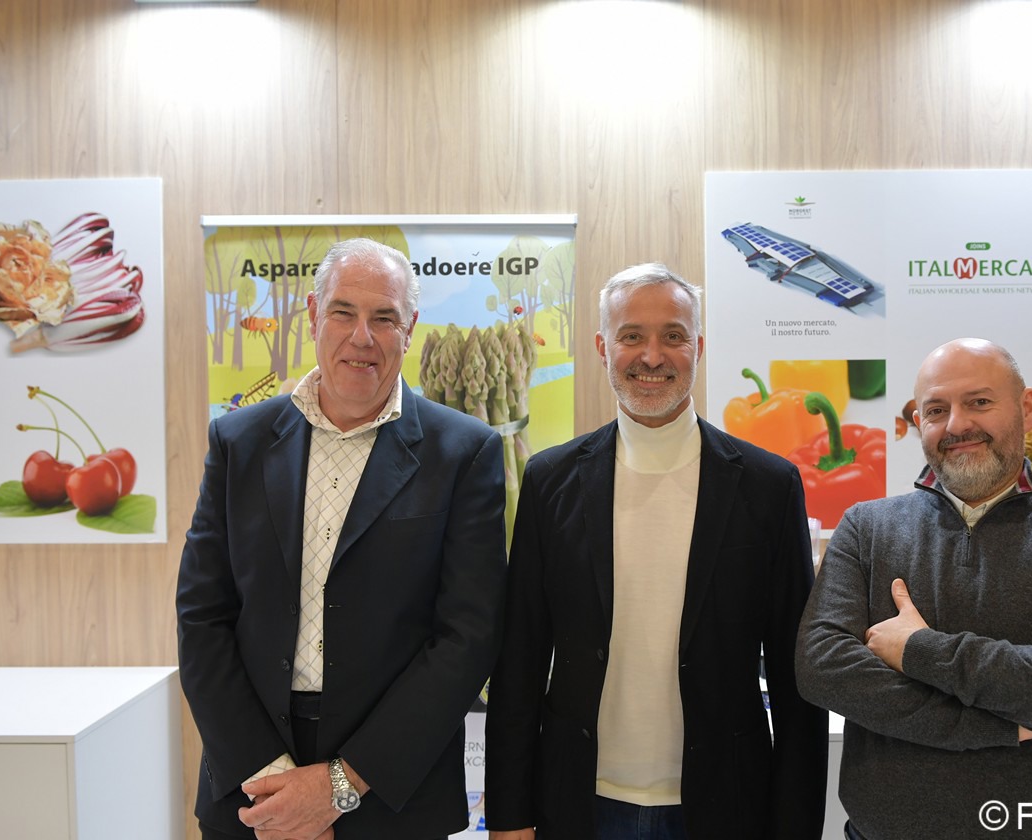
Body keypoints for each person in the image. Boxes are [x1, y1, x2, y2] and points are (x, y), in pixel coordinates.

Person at [177, 238, 508, 840]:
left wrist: (337, 787)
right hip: (250, 789)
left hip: (391, 792)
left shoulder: (464, 452)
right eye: (343, 312)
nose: (362, 336)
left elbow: (467, 637)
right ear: (312, 314)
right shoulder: (238, 442)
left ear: (410, 328)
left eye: (384, 318)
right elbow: (202, 617)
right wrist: (275, 786)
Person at [485, 263, 828, 840]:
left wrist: (795, 827)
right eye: (631, 335)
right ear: (603, 347)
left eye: (673, 335)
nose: (651, 356)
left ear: (698, 347)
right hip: (579, 804)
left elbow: (798, 679)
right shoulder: (550, 481)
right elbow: (519, 661)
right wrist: (509, 816)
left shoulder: (768, 487)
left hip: (725, 806)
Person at [795, 337, 1032, 840]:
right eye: (936, 410)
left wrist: (920, 649)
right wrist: (1002, 724)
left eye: (980, 402)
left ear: (1026, 409)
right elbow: (822, 668)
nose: (957, 425)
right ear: (918, 422)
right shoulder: (866, 529)